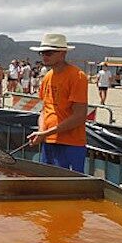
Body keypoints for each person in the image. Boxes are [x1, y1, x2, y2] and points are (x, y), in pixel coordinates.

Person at [27, 33, 88, 173]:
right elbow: (45, 110)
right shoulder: (48, 76)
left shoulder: (77, 76)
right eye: (42, 53)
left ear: (62, 53)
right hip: (48, 142)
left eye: (49, 52)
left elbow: (79, 116)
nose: (44, 56)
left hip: (70, 144)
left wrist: (46, 132)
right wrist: (42, 132)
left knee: (68, 188)